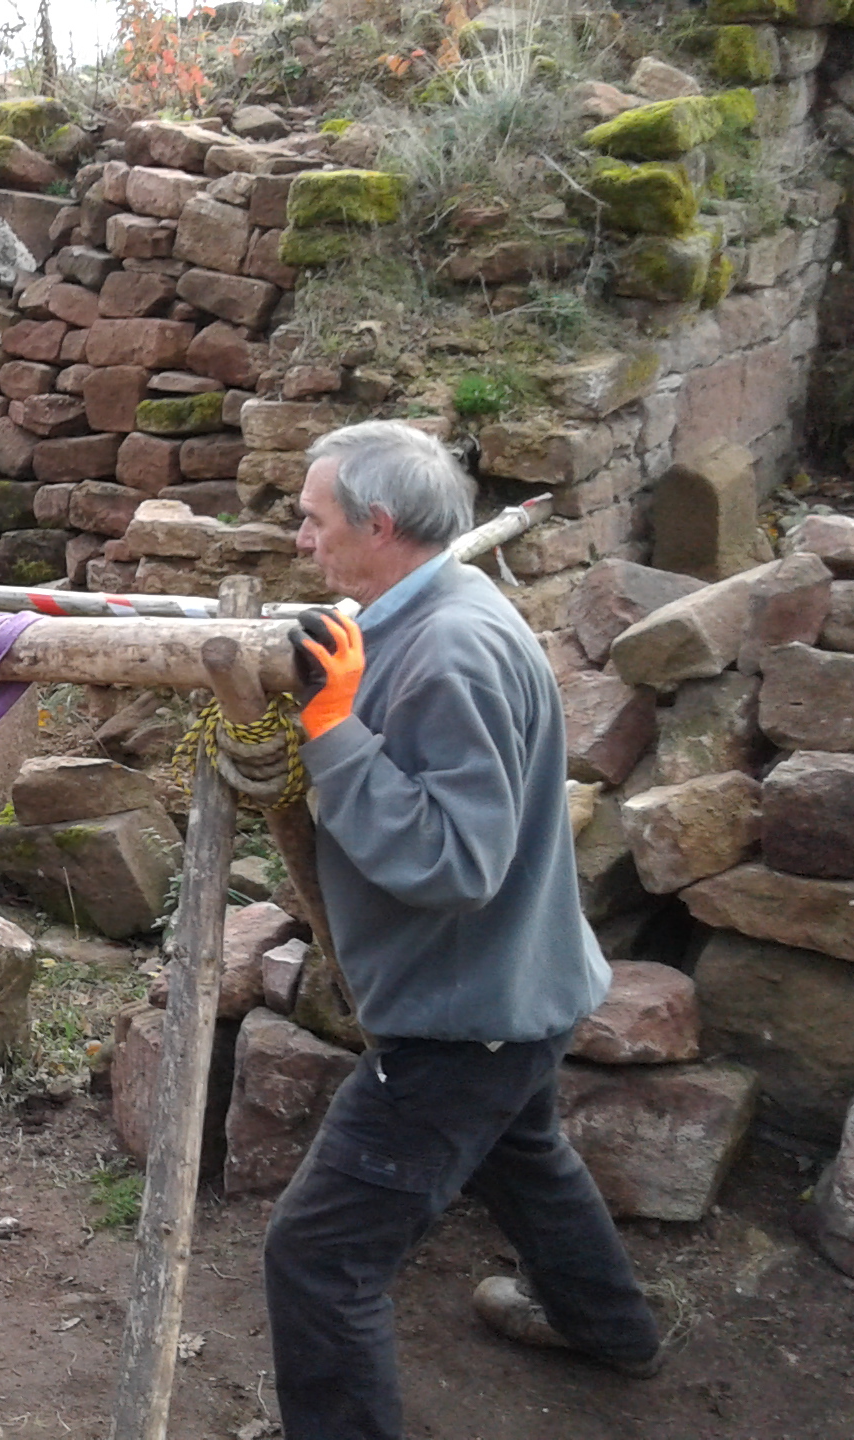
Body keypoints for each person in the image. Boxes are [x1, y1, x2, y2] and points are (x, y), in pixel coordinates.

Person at [265, 420, 660, 1439]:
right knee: (521, 1153)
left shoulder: (449, 653)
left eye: (313, 519)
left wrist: (331, 732)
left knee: (319, 1259)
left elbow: (455, 863)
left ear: (378, 524)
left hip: (464, 1017)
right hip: (513, 990)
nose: (299, 539)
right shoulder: (433, 609)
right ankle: (608, 1328)